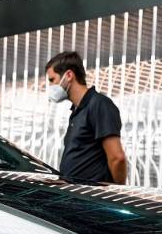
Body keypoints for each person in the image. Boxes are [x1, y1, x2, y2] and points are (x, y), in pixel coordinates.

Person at [44, 51, 127, 184]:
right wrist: (66, 180)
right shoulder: (77, 111)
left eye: (52, 80)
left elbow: (117, 158)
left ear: (69, 75)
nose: (51, 86)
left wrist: (118, 191)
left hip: (92, 194)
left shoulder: (99, 105)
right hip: (73, 192)